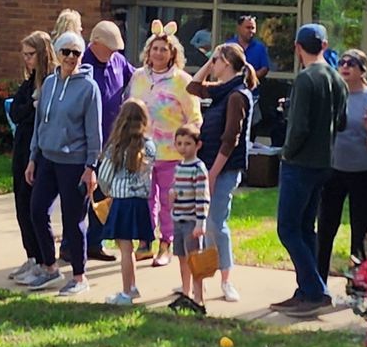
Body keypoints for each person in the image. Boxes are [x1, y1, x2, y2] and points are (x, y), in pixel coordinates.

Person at [271, 23, 347, 317]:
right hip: (324, 162)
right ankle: (305, 289)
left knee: (288, 228)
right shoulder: (336, 78)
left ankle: (315, 291)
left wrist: (286, 153)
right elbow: (341, 122)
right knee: (305, 228)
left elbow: (299, 127)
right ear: (325, 46)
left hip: (299, 163)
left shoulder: (305, 79)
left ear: (297, 47)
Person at [24, 30, 102, 296]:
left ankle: (79, 277)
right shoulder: (48, 84)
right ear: (57, 54)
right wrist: (33, 157)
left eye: (76, 53)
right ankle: (50, 268)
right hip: (47, 158)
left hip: (75, 163)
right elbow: (39, 124)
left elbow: (94, 132)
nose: (70, 57)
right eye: (65, 52)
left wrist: (91, 168)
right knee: (37, 211)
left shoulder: (89, 88)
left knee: (74, 221)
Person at [126, 21, 202, 268]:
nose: (158, 53)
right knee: (144, 198)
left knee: (169, 202)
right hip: (142, 151)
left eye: (163, 49)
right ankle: (145, 242)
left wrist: (190, 144)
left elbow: (194, 116)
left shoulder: (182, 81)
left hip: (172, 151)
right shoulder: (138, 77)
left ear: (172, 54)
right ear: (147, 52)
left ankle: (166, 244)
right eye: (154, 48)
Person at [186, 42, 256, 304]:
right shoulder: (222, 91)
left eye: (215, 60)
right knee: (203, 223)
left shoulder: (237, 95)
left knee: (216, 223)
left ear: (226, 62)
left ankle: (227, 280)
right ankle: (203, 276)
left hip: (223, 169)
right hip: (209, 166)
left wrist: (212, 175)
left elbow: (230, 140)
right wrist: (210, 61)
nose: (211, 64)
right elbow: (193, 87)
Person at [315, 48, 367, 283]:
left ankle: (360, 282)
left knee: (362, 230)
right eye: (342, 62)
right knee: (325, 228)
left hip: (363, 172)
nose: (345, 67)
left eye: (351, 63)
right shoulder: (333, 93)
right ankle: (317, 282)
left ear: (362, 70)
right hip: (333, 170)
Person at [82, 21, 136, 262]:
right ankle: (73, 245)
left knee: (103, 195)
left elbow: (137, 78)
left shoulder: (118, 62)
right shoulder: (82, 63)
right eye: (110, 49)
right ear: (95, 44)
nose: (114, 54)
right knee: (81, 195)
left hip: (112, 140)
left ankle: (95, 242)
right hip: (85, 142)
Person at [8, 32, 56, 284]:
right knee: (21, 206)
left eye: (31, 54)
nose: (26, 60)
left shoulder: (52, 83)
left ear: (42, 53)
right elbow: (16, 112)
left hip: (39, 153)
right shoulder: (28, 86)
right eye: (24, 55)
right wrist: (31, 107)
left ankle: (42, 260)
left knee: (35, 206)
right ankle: (31, 256)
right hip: (22, 147)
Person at [97, 99, 156, 306]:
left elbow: (104, 176)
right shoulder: (149, 146)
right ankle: (132, 287)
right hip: (140, 202)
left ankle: (125, 292)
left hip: (122, 202)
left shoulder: (116, 147)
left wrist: (107, 192)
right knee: (131, 249)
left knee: (124, 249)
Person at [169, 123, 210, 315]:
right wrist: (172, 195)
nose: (183, 147)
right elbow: (177, 189)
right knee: (182, 258)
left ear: (198, 145)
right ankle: (185, 292)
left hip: (192, 222)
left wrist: (200, 222)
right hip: (178, 219)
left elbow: (203, 196)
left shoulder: (199, 168)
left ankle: (198, 296)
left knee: (195, 260)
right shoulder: (179, 167)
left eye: (187, 143)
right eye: (179, 143)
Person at [227, 15, 270, 81]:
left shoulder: (260, 47)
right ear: (239, 28)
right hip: (231, 88)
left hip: (252, 89)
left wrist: (249, 78)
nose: (251, 31)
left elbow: (264, 68)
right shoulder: (228, 46)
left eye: (253, 28)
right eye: (248, 27)